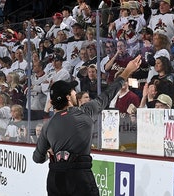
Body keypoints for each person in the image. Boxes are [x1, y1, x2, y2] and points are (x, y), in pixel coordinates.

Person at [32, 55, 141, 196]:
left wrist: (49, 153)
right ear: (68, 98)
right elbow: (107, 95)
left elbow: (37, 158)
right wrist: (126, 71)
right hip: (78, 176)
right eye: (72, 91)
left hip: (55, 178)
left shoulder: (47, 126)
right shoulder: (84, 112)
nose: (75, 93)